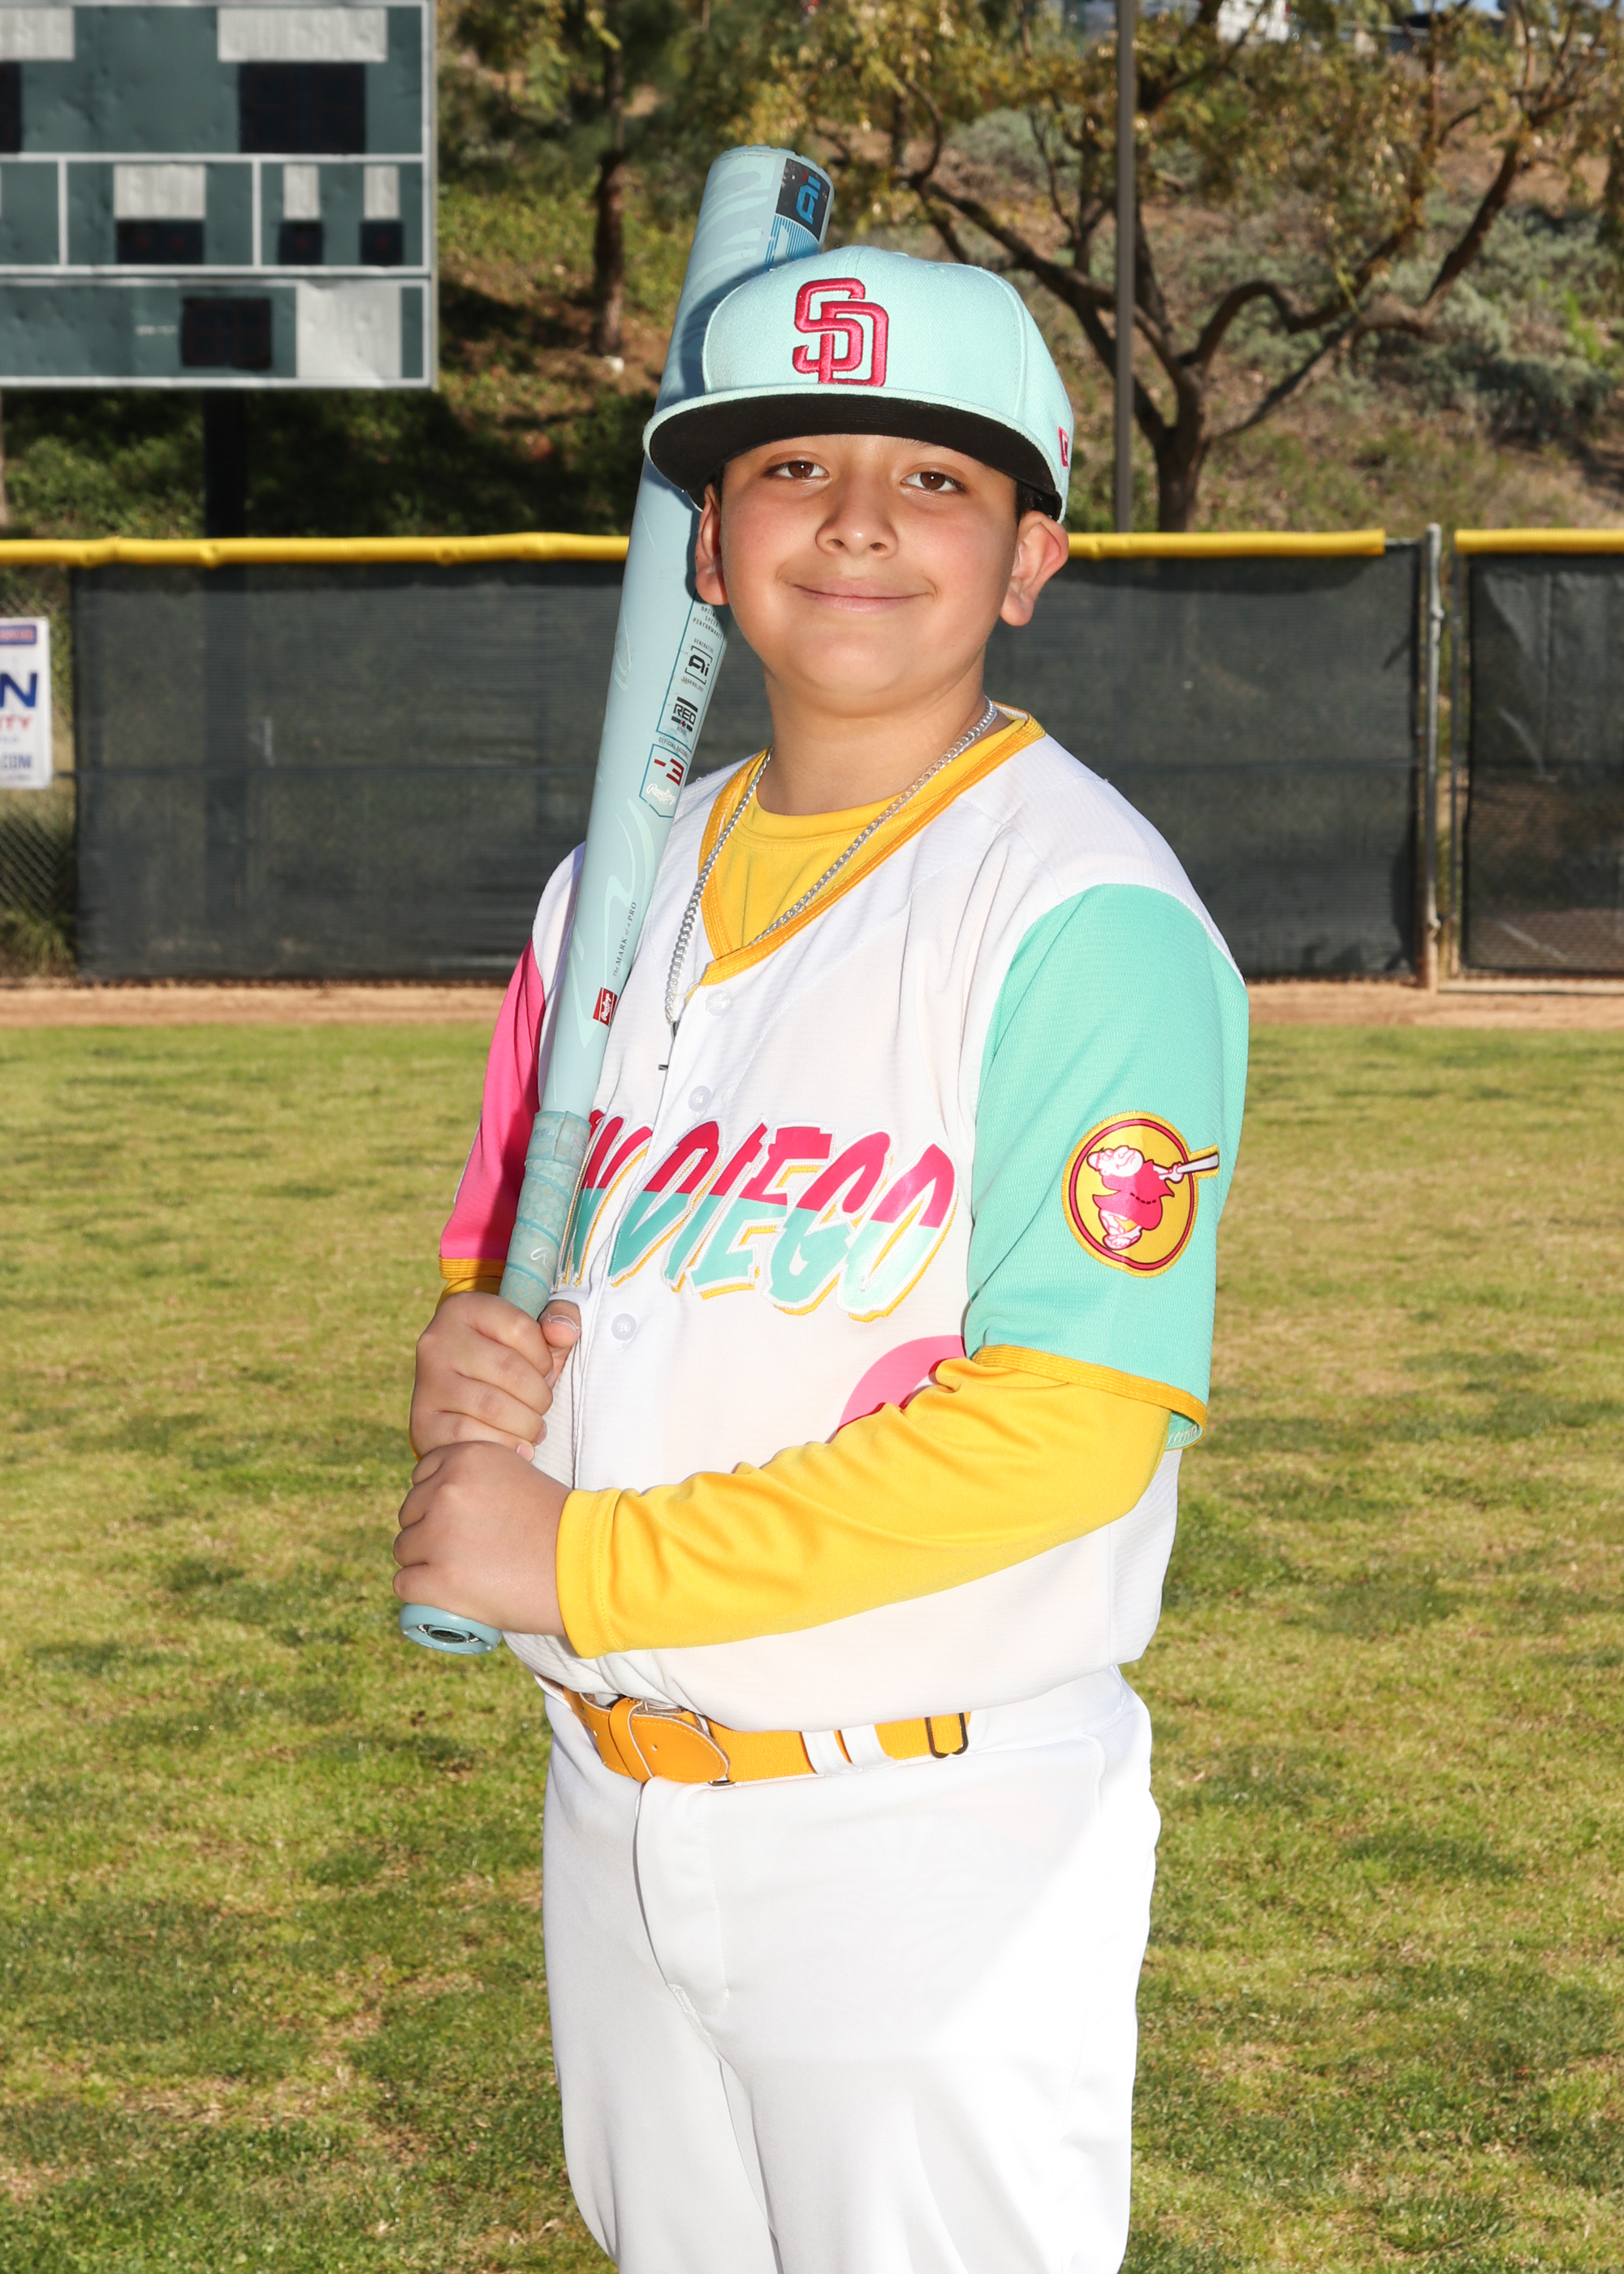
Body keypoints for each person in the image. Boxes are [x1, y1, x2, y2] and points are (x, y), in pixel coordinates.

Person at [394, 245, 1249, 2274]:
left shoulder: (1083, 914)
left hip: (927, 1834)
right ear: (708, 545)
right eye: (791, 466)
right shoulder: (606, 891)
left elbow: (1066, 1431)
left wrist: (579, 1558)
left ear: (1029, 558)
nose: (858, 519)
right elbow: (511, 1270)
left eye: (936, 479)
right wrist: (465, 1362)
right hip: (609, 1795)